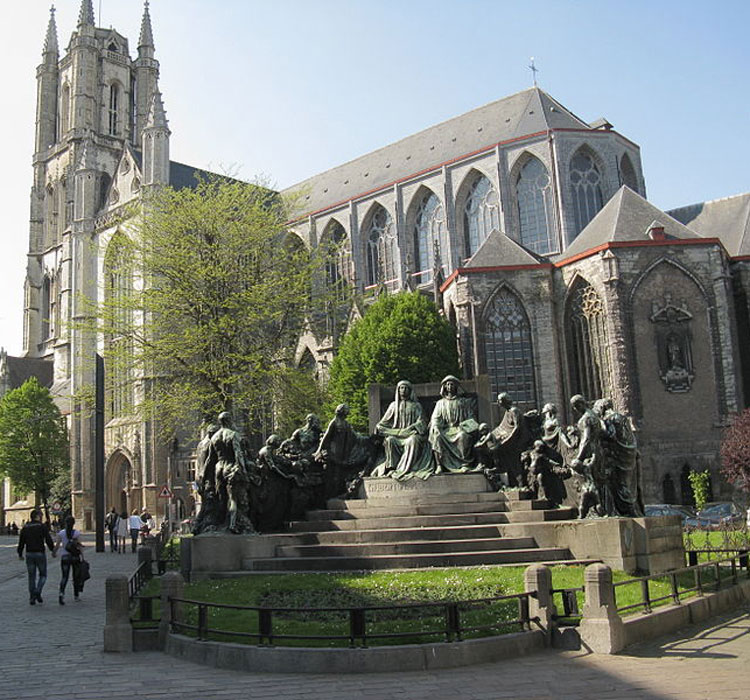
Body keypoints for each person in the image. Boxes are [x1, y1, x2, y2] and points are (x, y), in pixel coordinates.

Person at [372, 379, 433, 480]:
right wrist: (395, 432)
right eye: (401, 388)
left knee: (413, 440)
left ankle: (408, 468)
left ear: (410, 391)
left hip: (411, 435)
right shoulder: (393, 406)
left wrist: (413, 427)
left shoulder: (416, 406)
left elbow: (422, 422)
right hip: (397, 436)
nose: (403, 390)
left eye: (405, 388)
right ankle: (392, 468)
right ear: (398, 390)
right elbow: (381, 425)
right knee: (389, 440)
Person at [429, 375, 479, 473]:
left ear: (456, 386)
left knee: (463, 436)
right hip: (446, 430)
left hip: (460, 429)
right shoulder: (440, 403)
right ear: (445, 387)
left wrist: (464, 426)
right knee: (436, 436)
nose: (450, 386)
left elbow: (471, 417)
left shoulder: (463, 402)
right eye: (448, 384)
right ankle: (439, 465)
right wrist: (436, 426)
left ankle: (464, 464)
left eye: (452, 384)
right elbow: (435, 418)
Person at [17, 509, 56, 605]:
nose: (42, 517)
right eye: (41, 515)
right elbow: (48, 539)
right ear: (37, 516)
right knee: (43, 575)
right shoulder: (42, 526)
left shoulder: (25, 527)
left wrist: (20, 553)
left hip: (29, 553)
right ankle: (37, 591)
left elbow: (21, 542)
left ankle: (32, 597)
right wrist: (52, 550)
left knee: (31, 577)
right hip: (40, 553)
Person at [54, 515, 83, 604]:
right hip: (75, 557)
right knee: (75, 577)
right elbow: (79, 546)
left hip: (65, 557)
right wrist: (82, 555)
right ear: (73, 524)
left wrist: (54, 552)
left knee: (64, 577)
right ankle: (76, 595)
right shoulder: (76, 533)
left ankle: (61, 594)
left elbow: (57, 545)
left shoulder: (61, 533)